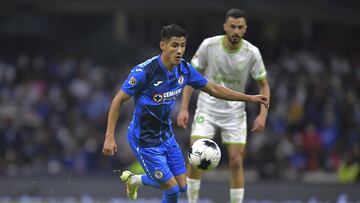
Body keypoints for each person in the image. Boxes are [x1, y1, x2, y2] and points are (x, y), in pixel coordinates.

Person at [102, 23, 268, 203]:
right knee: (172, 190)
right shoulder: (145, 72)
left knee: (182, 186)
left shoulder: (185, 70)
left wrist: (249, 98)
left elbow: (214, 89)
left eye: (182, 45)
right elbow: (118, 100)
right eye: (174, 45)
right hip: (144, 140)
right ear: (163, 45)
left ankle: (135, 180)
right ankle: (142, 180)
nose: (179, 50)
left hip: (166, 136)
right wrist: (109, 136)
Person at [176, 9, 270, 203]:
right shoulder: (208, 46)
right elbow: (190, 77)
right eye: (232, 26)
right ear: (225, 27)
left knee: (236, 161)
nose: (236, 30)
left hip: (235, 113)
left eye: (240, 27)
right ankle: (191, 201)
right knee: (196, 154)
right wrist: (184, 107)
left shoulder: (252, 53)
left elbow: (264, 85)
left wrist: (263, 115)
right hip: (207, 109)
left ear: (245, 29)